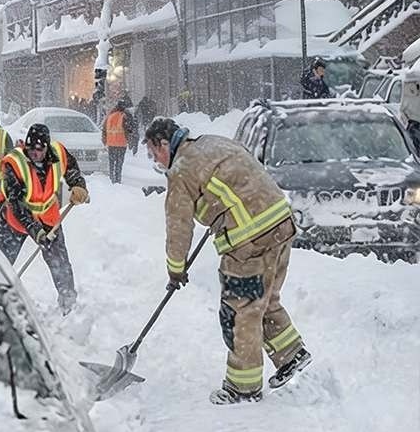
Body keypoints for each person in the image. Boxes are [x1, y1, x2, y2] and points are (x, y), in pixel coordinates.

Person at [144, 118, 312, 405]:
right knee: (265, 297)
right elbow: (238, 180)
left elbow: (178, 226)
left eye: (153, 152)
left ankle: (243, 388)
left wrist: (175, 270)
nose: (155, 160)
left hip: (250, 241)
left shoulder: (181, 170)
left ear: (164, 144)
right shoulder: (213, 142)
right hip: (281, 225)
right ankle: (291, 354)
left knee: (240, 311)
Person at [0, 123, 89, 314]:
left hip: (47, 216)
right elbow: (17, 204)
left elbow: (70, 167)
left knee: (60, 262)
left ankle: (68, 304)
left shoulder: (58, 153)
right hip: (15, 220)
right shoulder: (14, 164)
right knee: (0, 264)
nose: (35, 153)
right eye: (30, 148)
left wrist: (78, 184)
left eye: (39, 149)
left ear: (46, 147)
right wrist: (35, 230)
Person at [102, 102, 135, 184]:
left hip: (111, 143)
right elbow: (128, 129)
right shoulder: (124, 117)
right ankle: (117, 179)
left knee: (111, 162)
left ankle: (111, 178)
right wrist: (130, 140)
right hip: (121, 143)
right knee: (119, 163)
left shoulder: (109, 116)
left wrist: (104, 140)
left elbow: (104, 129)